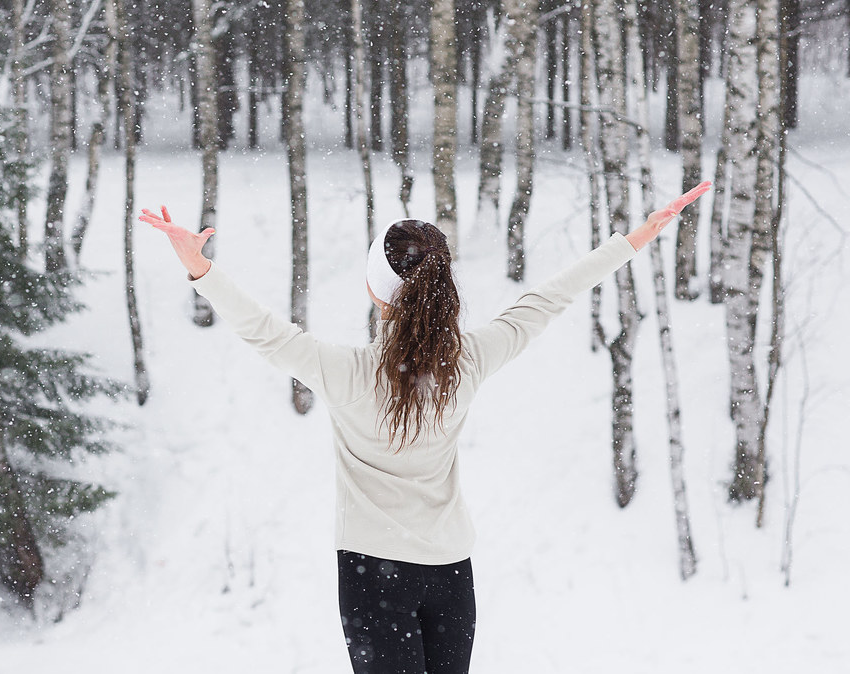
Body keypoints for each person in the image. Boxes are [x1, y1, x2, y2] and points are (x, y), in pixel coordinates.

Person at [140, 180, 711, 674]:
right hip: (450, 577)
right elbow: (548, 299)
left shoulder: (347, 372)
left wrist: (199, 267)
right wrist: (635, 239)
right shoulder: (468, 362)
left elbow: (263, 330)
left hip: (371, 576)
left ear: (376, 288)